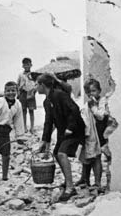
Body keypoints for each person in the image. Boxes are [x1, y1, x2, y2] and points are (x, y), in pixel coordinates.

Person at [36, 73, 85, 201]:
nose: (35, 87)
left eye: (37, 84)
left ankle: (70, 188)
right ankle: (67, 181)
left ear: (42, 85)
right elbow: (48, 122)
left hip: (74, 130)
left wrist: (70, 127)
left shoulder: (59, 95)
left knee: (62, 153)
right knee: (57, 153)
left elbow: (74, 109)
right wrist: (44, 140)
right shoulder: (47, 101)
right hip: (63, 132)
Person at [77, 78, 116, 193]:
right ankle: (85, 179)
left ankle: (100, 182)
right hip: (92, 134)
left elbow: (100, 116)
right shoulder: (88, 104)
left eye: (93, 91)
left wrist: (93, 107)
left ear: (99, 91)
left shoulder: (102, 101)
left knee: (99, 157)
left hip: (102, 133)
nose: (91, 94)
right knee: (88, 155)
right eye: (88, 92)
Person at [17, 57, 38, 133]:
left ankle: (32, 127)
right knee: (23, 111)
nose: (26, 66)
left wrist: (34, 91)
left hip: (31, 93)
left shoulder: (33, 74)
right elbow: (17, 84)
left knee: (31, 111)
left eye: (28, 64)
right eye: (25, 64)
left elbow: (36, 84)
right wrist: (20, 89)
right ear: (22, 66)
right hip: (23, 93)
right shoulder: (20, 75)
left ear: (31, 65)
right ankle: (24, 127)